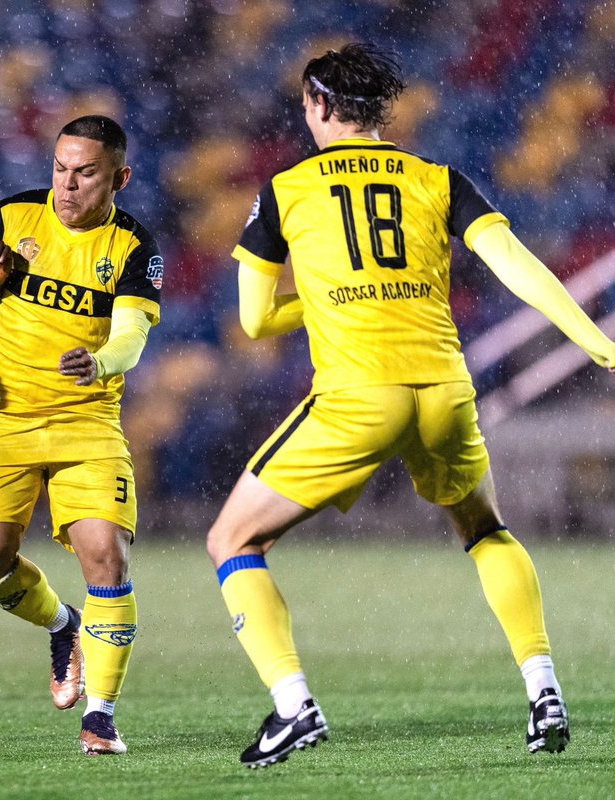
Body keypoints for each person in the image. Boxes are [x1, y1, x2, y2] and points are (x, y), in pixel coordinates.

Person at [206, 43, 615, 769]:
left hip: (360, 395)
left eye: (307, 104)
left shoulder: (286, 190)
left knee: (232, 541)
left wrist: (328, 298)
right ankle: (543, 688)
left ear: (322, 106)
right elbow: (516, 264)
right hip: (447, 391)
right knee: (485, 529)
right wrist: (597, 342)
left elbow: (254, 322)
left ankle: (294, 705)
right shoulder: (436, 178)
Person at [0, 115, 163, 755]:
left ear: (119, 178)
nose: (66, 185)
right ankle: (62, 624)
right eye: (59, 168)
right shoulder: (15, 216)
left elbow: (133, 335)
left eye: (85, 173)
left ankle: (101, 716)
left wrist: (100, 360)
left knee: (106, 556)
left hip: (88, 424)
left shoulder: (136, 247)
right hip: (1, 418)